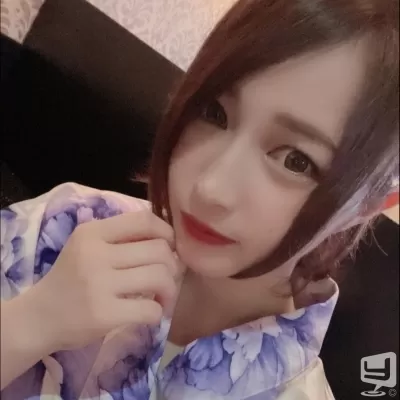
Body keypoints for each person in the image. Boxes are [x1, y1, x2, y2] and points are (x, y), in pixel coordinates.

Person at [1, 0, 398, 399]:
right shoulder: (68, 227)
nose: (211, 188)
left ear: (365, 206)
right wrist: (31, 323)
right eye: (214, 112)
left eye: (296, 160)